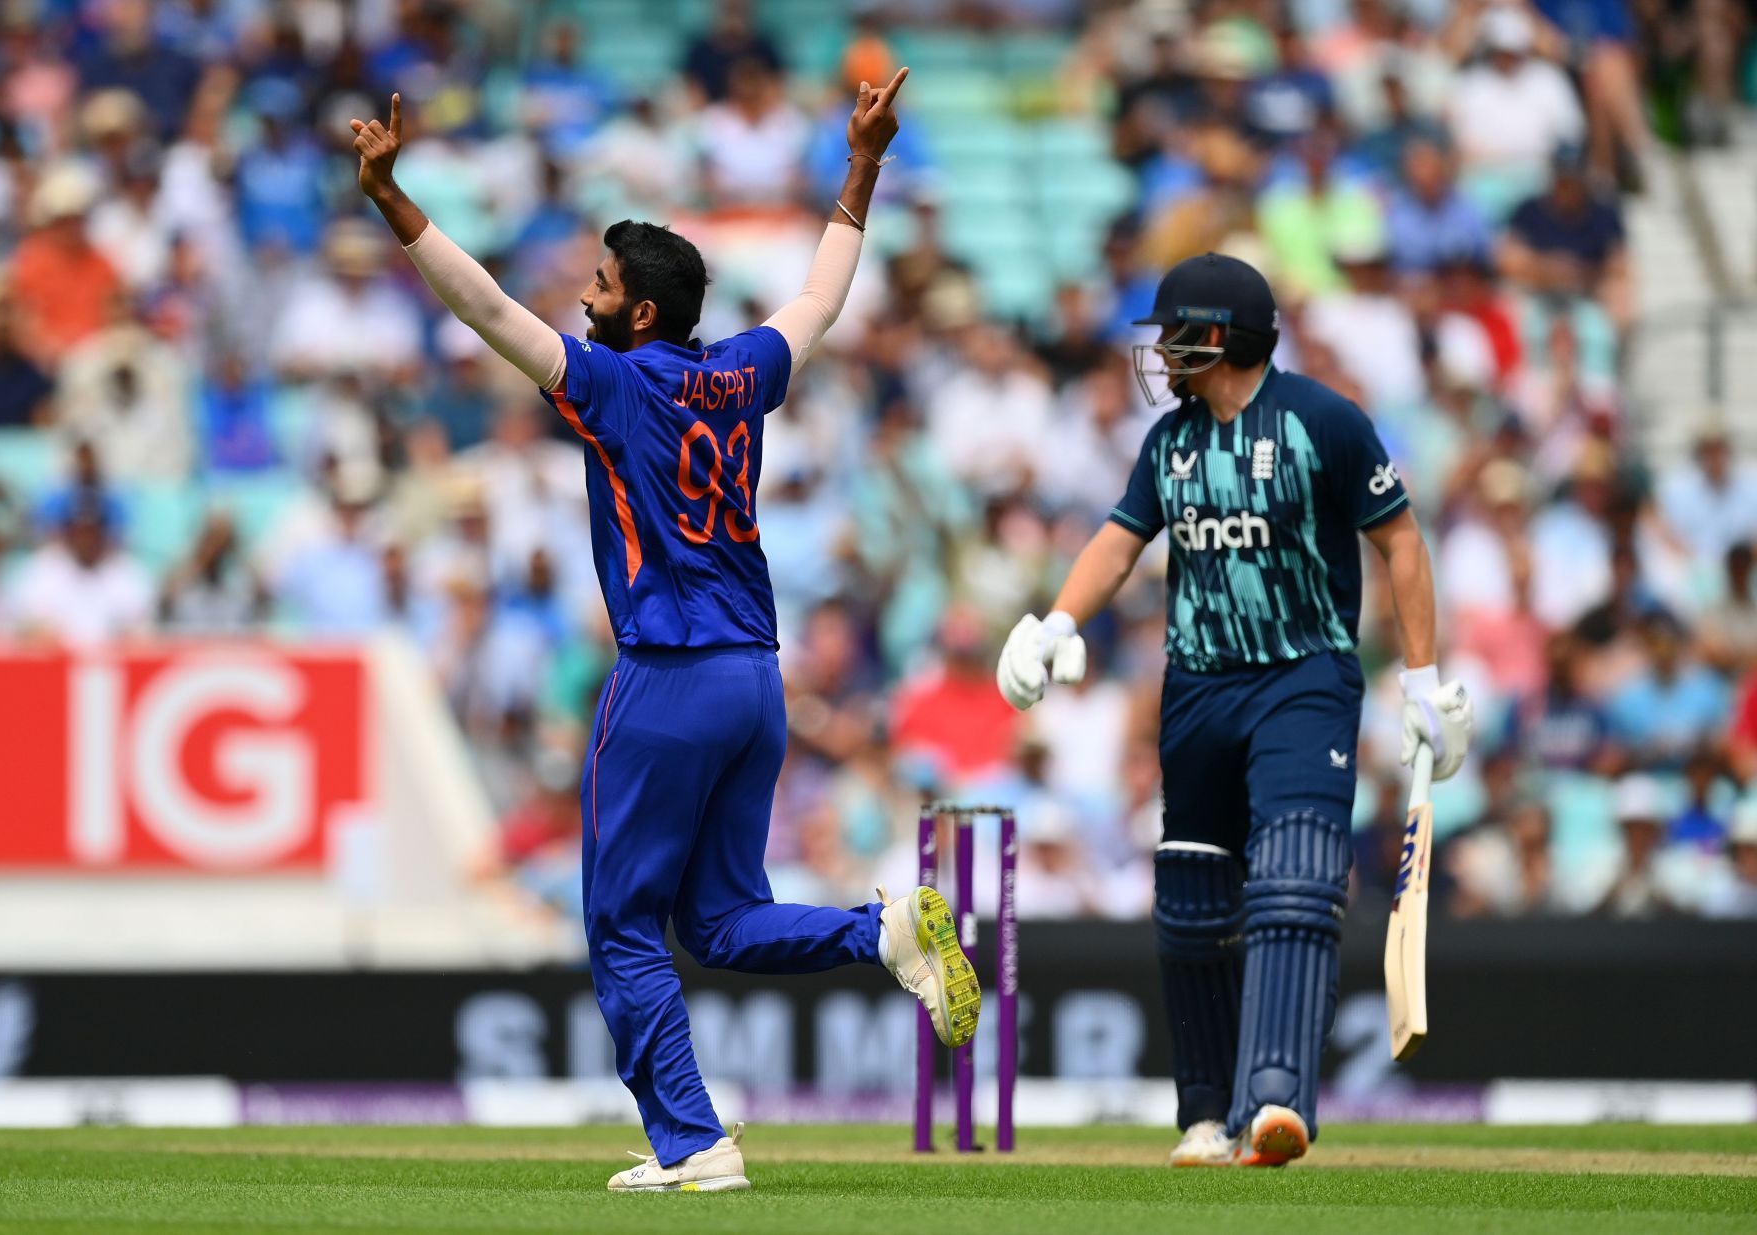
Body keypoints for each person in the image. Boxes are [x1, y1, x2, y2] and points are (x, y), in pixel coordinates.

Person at [351, 73, 978, 1193]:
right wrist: (863, 165)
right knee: (724, 918)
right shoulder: (739, 373)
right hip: (756, 679)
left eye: (597, 284)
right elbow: (822, 301)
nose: (582, 295)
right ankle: (881, 935)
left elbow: (489, 311)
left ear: (640, 311)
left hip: (668, 674)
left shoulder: (616, 384)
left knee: (621, 923)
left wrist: (394, 202)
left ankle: (692, 1141)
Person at [995, 253, 1474, 1167]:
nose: (1159, 351)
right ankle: (1205, 1114)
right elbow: (1119, 538)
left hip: (1305, 677)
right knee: (1191, 896)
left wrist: (1421, 677)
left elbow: (1400, 541)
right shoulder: (1169, 443)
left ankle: (1276, 1098)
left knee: (1293, 878)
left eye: (1172, 332)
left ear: (1215, 336)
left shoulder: (1322, 420)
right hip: (1199, 687)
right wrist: (1056, 618)